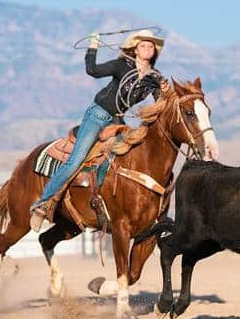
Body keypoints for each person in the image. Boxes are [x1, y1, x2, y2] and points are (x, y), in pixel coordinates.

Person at [29, 29, 169, 231]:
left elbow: (161, 106)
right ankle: (43, 203)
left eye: (150, 46)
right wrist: (93, 45)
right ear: (135, 49)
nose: (147, 48)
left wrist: (165, 93)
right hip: (98, 115)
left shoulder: (155, 78)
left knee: (128, 160)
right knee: (76, 160)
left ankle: (110, 203)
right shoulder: (122, 65)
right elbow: (93, 70)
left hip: (118, 121)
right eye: (143, 45)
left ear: (154, 52)